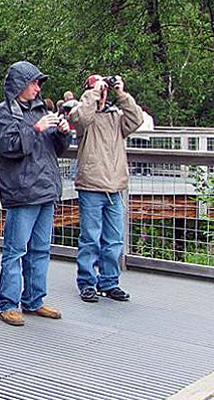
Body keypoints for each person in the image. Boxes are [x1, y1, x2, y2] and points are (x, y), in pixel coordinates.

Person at [0, 60, 70, 326]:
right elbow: (9, 147)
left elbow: (55, 150)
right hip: (22, 191)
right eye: (35, 82)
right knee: (15, 250)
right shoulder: (4, 112)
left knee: (40, 249)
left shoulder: (40, 110)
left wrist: (62, 134)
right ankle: (8, 304)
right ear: (21, 85)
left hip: (46, 189)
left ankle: (34, 300)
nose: (38, 88)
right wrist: (35, 129)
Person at [69, 74, 143, 303]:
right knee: (90, 238)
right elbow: (81, 118)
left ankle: (109, 282)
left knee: (114, 240)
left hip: (115, 186)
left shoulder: (116, 116)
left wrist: (121, 94)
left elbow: (137, 119)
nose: (103, 92)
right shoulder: (80, 112)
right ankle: (87, 283)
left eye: (104, 89)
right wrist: (93, 93)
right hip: (91, 185)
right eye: (97, 88)